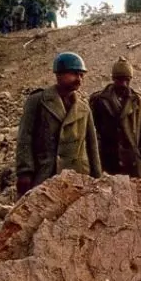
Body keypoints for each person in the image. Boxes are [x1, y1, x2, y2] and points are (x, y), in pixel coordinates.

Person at [15, 52, 102, 199]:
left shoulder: (83, 107)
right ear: (59, 74)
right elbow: (25, 138)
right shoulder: (38, 101)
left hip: (77, 177)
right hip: (46, 174)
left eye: (81, 75)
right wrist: (25, 172)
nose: (79, 79)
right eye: (74, 74)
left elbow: (92, 146)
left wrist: (97, 177)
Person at [89, 56, 141, 178]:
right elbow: (91, 129)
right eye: (119, 79)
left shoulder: (137, 101)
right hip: (107, 161)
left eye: (127, 80)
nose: (123, 84)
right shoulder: (98, 100)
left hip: (132, 163)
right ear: (113, 78)